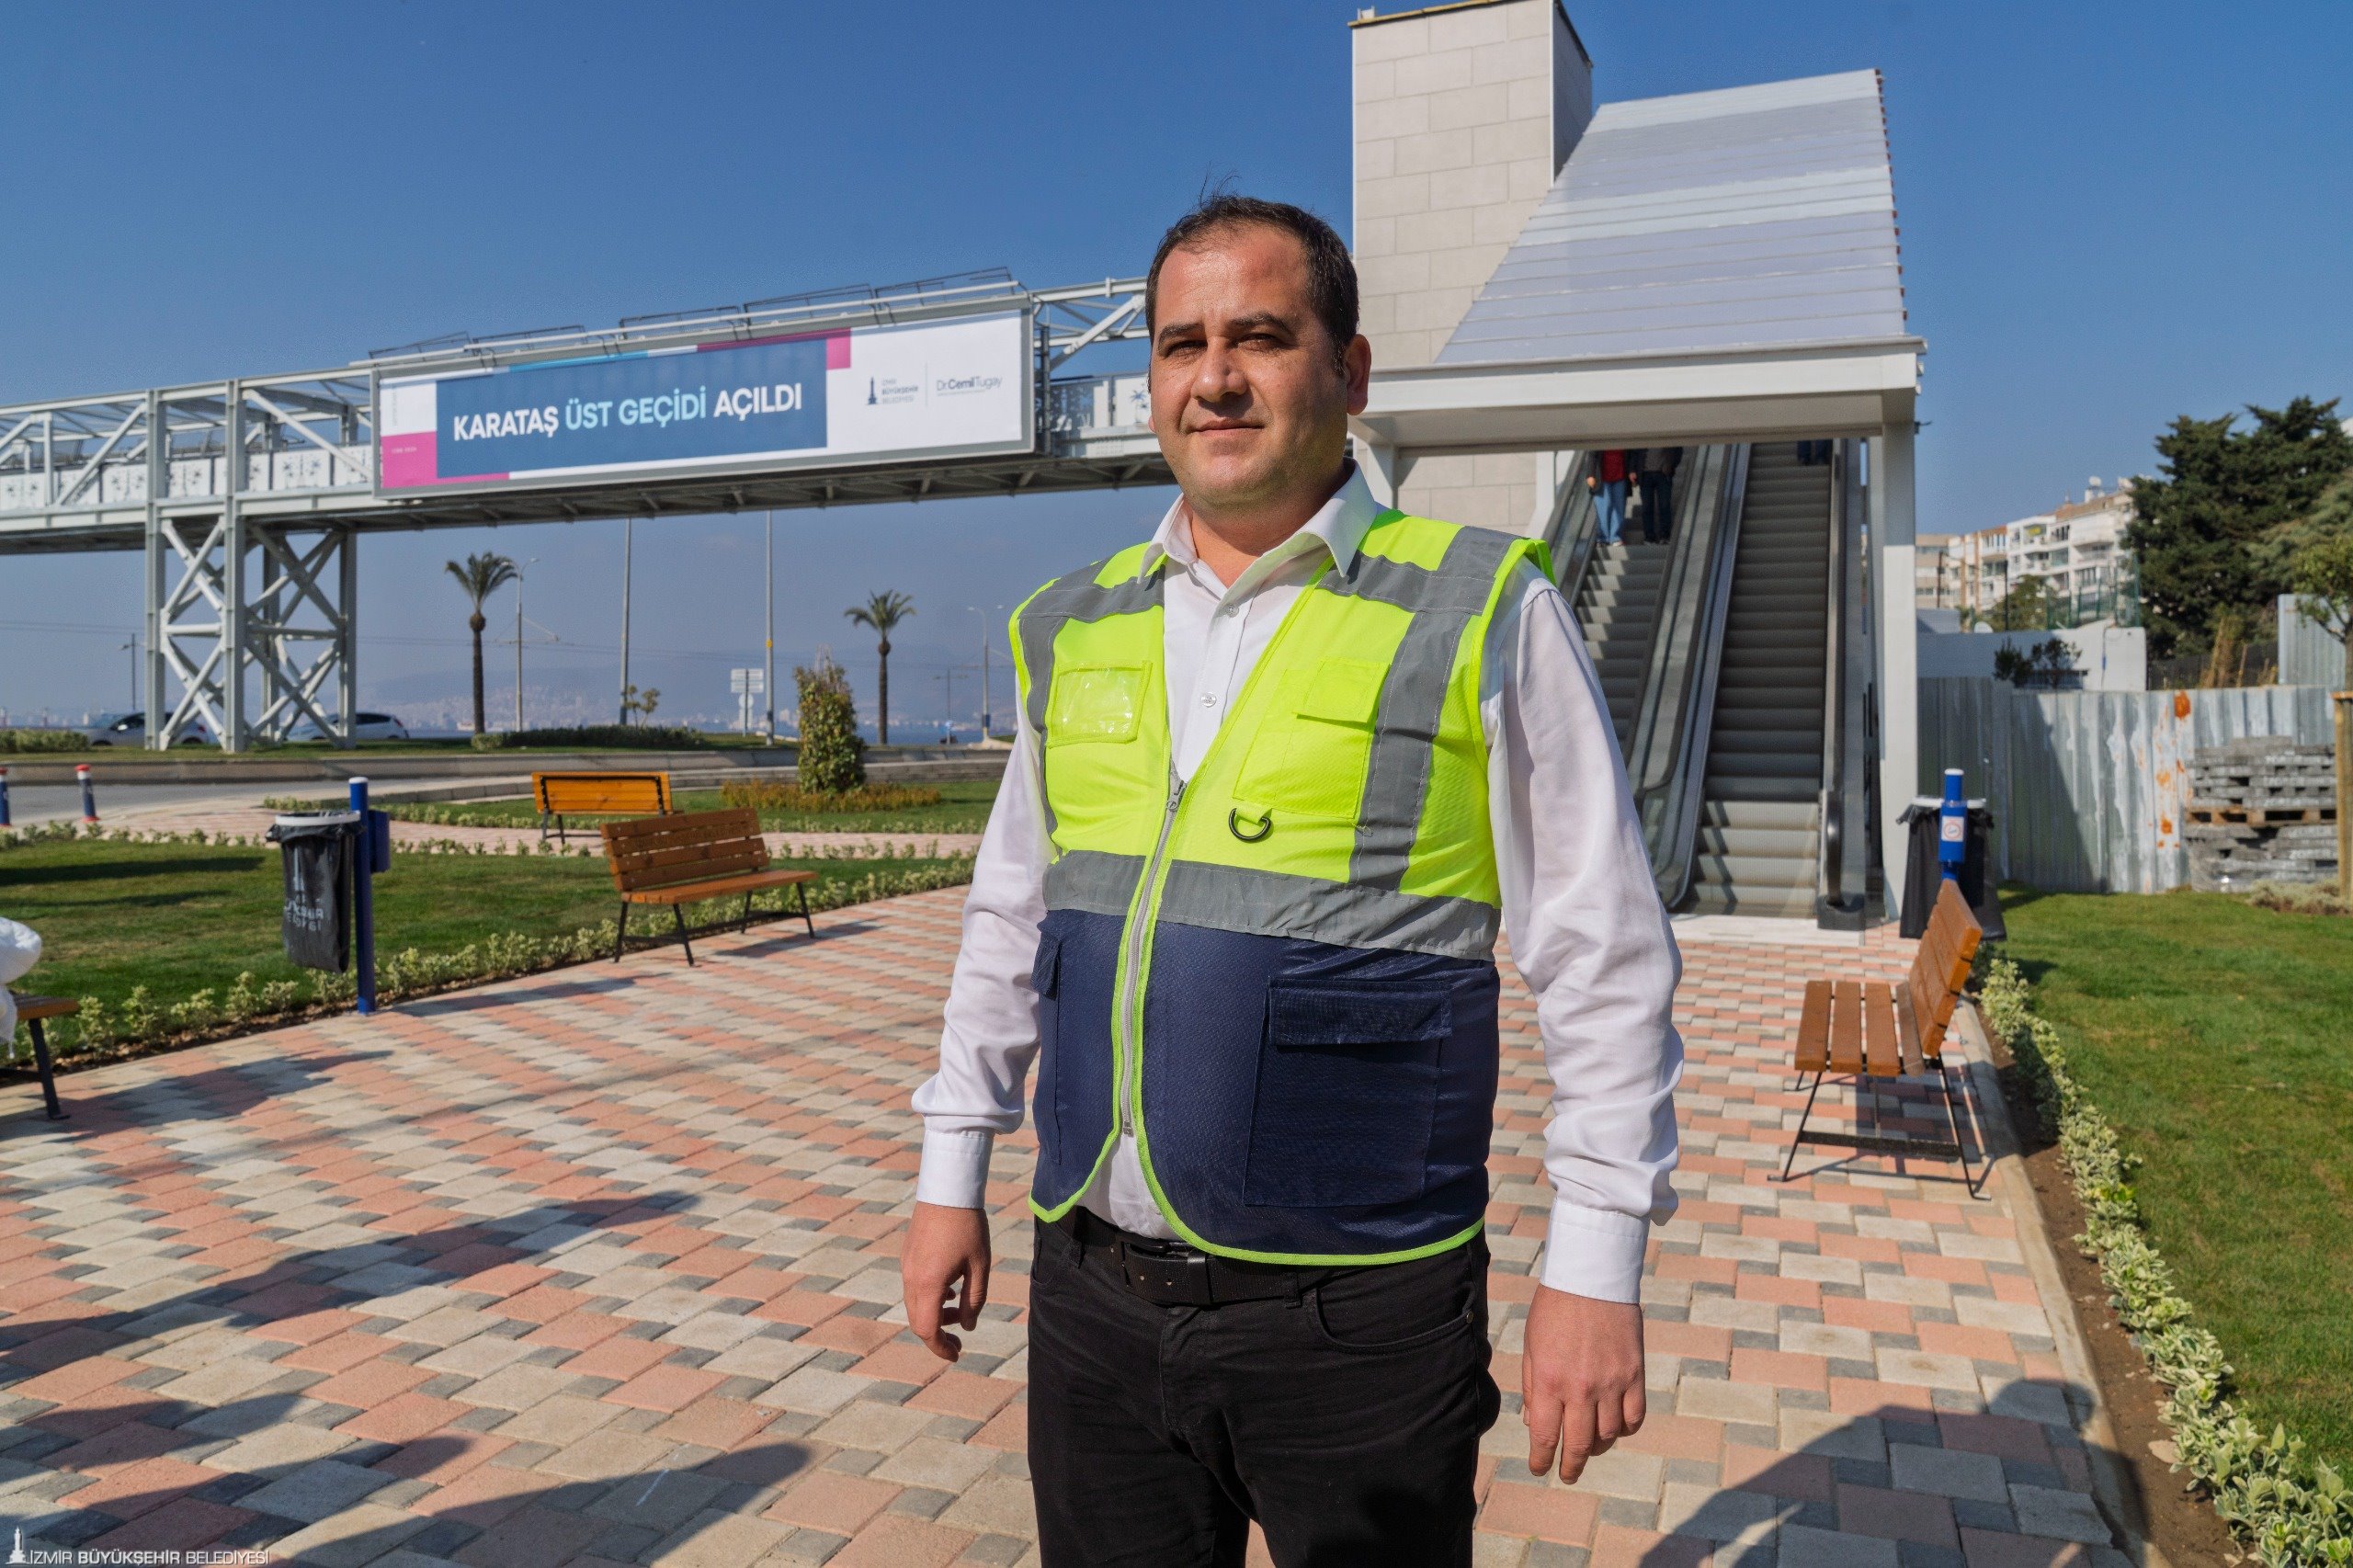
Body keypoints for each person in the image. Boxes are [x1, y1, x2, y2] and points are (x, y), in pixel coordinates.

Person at [901, 194, 1682, 1568]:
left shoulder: (1480, 605)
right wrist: (949, 1167)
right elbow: (1011, 917)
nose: (1213, 377)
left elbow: (1601, 953)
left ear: (1350, 371)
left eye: (1259, 336)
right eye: (1180, 343)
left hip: (1357, 1317)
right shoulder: (1070, 623)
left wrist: (1594, 1262)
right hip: (1091, 1297)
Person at [1635, 446, 1683, 544]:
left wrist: (1671, 465)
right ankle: (1649, 537)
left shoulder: (1667, 435)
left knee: (1664, 505)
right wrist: (1632, 469)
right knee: (1646, 507)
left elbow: (1677, 448)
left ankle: (1665, 536)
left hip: (1663, 473)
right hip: (1645, 474)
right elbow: (1634, 451)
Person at [1587, 447, 1630, 545]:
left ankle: (1616, 537)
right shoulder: (1601, 438)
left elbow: (1630, 455)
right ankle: (1603, 538)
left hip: (1620, 477)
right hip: (1602, 478)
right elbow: (1592, 455)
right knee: (1603, 508)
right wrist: (1590, 475)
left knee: (1619, 508)